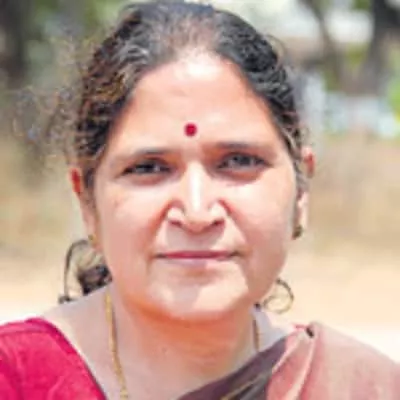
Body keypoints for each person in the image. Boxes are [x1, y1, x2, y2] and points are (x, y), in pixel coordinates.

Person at [0, 1, 398, 399]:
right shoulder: (19, 379)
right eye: (149, 168)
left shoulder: (361, 387)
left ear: (301, 189)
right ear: (87, 203)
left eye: (239, 161)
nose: (196, 212)